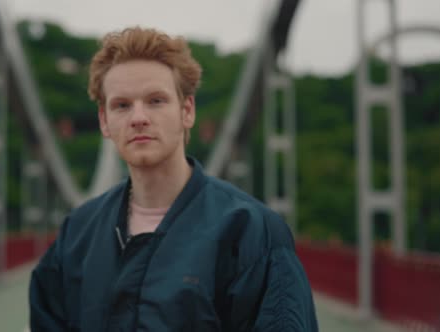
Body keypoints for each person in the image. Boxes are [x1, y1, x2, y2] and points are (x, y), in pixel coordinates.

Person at [29, 26, 318, 331]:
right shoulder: (77, 234)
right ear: (104, 121)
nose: (138, 117)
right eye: (122, 105)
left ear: (187, 110)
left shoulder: (252, 233)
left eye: (156, 100)